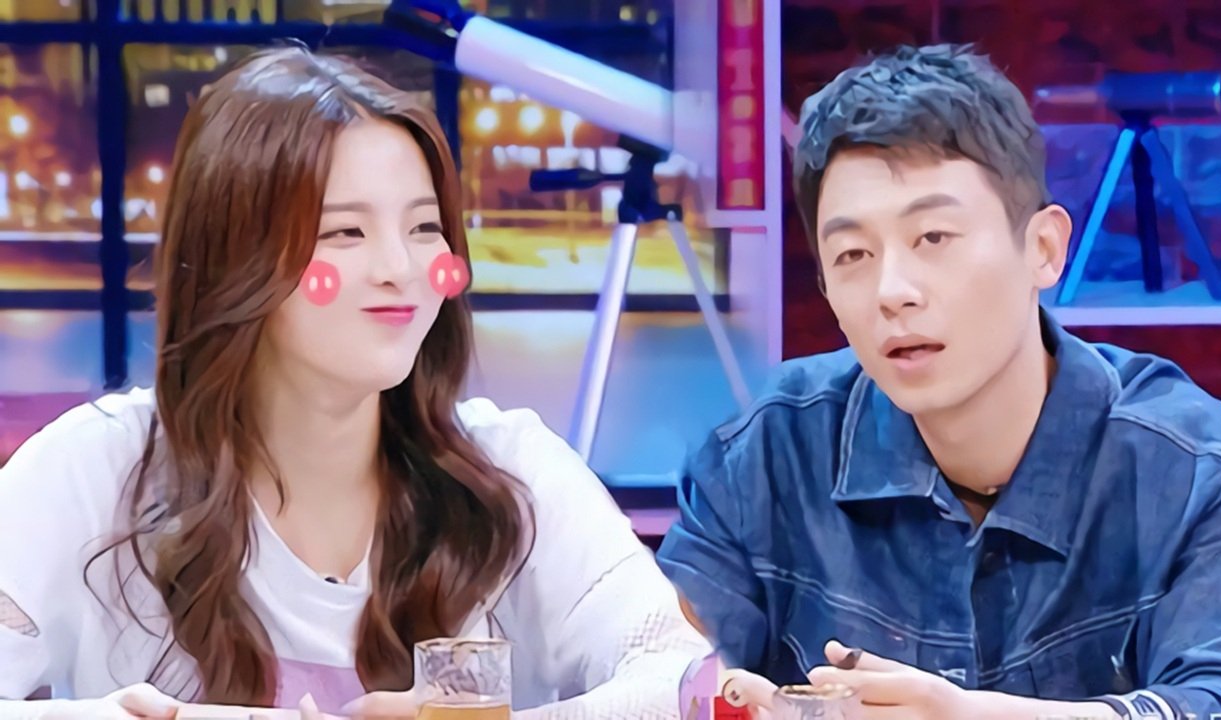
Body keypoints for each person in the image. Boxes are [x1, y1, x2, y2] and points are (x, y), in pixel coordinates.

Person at [0, 47, 709, 719]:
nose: (400, 268)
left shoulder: (512, 472)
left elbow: (682, 684)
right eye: (346, 233)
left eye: (424, 227)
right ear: (234, 254)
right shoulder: (94, 472)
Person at [656, 43, 1221, 720]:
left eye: (933, 238)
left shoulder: (1204, 476)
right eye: (853, 253)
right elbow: (663, 668)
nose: (892, 291)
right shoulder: (762, 453)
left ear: (1043, 249)